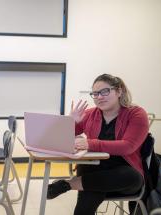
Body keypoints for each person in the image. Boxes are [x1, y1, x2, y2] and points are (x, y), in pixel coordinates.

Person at [47, 74, 149, 215]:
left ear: (119, 91)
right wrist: (70, 121)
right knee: (91, 185)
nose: (99, 97)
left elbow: (128, 146)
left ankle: (68, 184)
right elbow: (61, 138)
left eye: (104, 91)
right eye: (95, 94)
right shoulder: (89, 114)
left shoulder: (136, 114)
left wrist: (90, 144)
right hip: (94, 172)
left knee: (132, 176)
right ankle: (71, 184)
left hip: (122, 178)